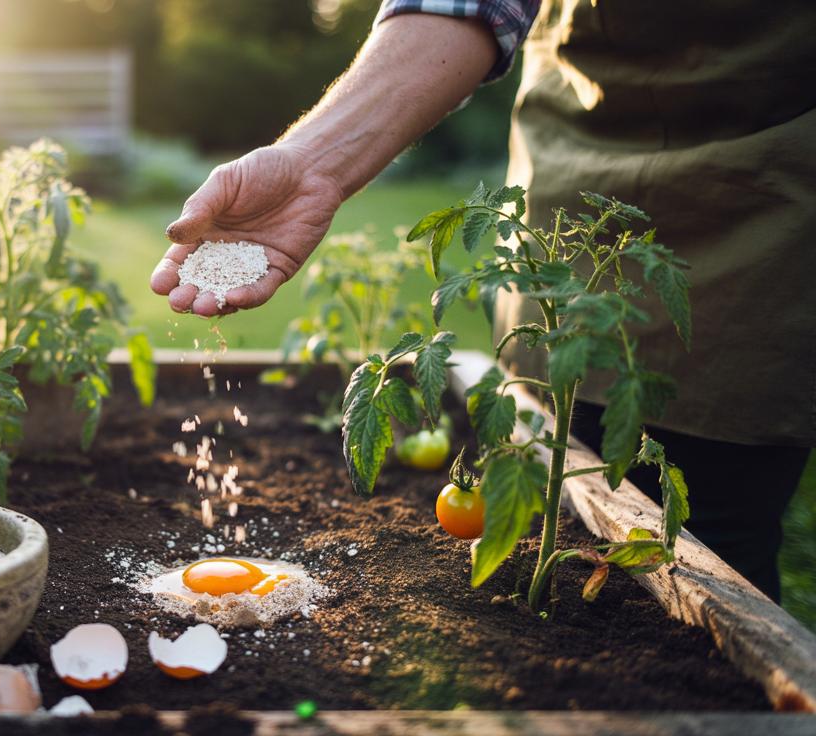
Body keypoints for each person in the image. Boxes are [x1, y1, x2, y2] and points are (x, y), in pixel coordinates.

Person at [150, 0, 816, 602]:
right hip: (572, 191)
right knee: (546, 457)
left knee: (708, 555)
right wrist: (312, 161)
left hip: (760, 212)